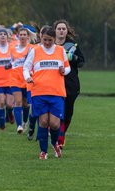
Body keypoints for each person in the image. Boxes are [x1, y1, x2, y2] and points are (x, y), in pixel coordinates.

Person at [23, 26, 70, 160]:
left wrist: (63, 71)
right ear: (41, 38)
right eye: (44, 40)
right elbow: (26, 67)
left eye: (50, 40)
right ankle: (43, 151)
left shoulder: (61, 50)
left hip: (57, 92)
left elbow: (67, 68)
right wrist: (27, 77)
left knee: (55, 124)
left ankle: (55, 143)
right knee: (43, 122)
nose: (47, 43)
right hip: (39, 91)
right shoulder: (35, 50)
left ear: (54, 39)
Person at [54, 19, 85, 149]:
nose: (61, 31)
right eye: (59, 28)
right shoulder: (49, 45)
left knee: (67, 113)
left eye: (64, 29)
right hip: (53, 82)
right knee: (57, 111)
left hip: (71, 83)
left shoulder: (72, 45)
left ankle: (61, 134)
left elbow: (82, 62)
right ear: (54, 30)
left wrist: (73, 57)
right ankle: (58, 137)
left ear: (67, 31)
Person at [8, 26, 35, 134]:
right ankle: (19, 125)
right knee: (18, 101)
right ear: (18, 36)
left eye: (25, 34)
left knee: (26, 104)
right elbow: (12, 62)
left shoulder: (32, 48)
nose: (23, 36)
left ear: (28, 36)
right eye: (21, 34)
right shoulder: (13, 49)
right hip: (15, 78)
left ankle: (24, 122)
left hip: (27, 78)